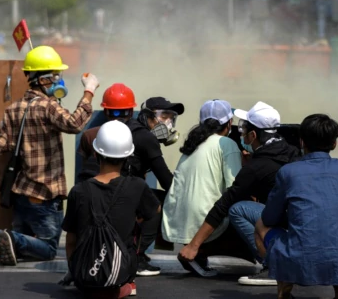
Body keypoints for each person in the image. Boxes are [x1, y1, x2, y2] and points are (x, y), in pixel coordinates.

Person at [0, 45, 99, 265]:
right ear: (43, 80)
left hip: (21, 192)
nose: (60, 81)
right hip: (45, 194)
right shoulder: (47, 107)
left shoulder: (14, 109)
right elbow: (74, 124)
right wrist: (89, 92)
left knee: (22, 244)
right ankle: (8, 238)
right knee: (48, 248)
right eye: (57, 76)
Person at [178, 101, 302, 287]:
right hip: (301, 228)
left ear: (253, 135)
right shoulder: (291, 152)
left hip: (287, 227)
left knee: (238, 208)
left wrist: (193, 245)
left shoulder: (256, 167)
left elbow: (225, 203)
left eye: (245, 130)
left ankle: (272, 265)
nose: (241, 133)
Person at [254, 114, 338, 299]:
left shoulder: (288, 172)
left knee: (260, 225)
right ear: (334, 144)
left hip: (295, 256)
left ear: (301, 142)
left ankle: (284, 285)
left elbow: (269, 218)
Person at [76, 85, 171, 276]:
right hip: (119, 193)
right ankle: (138, 256)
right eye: (163, 116)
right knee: (156, 202)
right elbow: (167, 181)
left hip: (92, 194)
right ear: (135, 112)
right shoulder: (143, 137)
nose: (167, 122)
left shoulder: (91, 134)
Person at [63, 120, 161, 299]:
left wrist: (76, 269)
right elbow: (154, 210)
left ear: (96, 153)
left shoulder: (78, 190)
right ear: (128, 156)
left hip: (83, 276)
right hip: (121, 272)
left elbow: (70, 240)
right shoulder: (137, 186)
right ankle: (123, 284)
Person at [162, 99, 248, 277]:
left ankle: (198, 253)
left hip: (177, 219)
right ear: (229, 123)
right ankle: (199, 251)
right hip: (205, 221)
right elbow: (236, 188)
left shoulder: (191, 144)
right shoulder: (227, 144)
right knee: (247, 209)